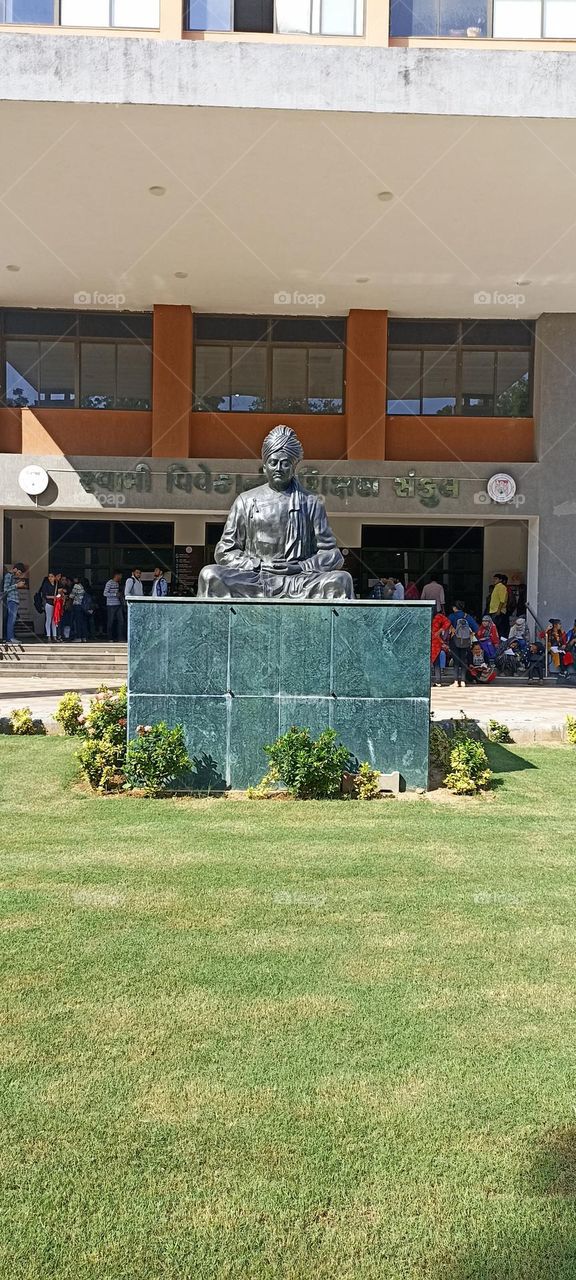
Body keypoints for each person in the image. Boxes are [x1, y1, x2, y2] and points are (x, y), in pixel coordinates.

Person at [197, 425, 354, 600]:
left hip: (298, 580)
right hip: (255, 578)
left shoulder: (311, 502)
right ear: (265, 467)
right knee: (210, 575)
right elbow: (224, 551)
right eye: (273, 462)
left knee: (341, 580)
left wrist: (300, 567)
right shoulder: (245, 501)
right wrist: (256, 564)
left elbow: (332, 555)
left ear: (293, 468)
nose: (279, 468)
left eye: (285, 463)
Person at [449, 613, 476, 687]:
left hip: (455, 642)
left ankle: (456, 681)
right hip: (465, 642)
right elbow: (476, 628)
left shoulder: (452, 616)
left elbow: (446, 626)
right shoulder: (467, 617)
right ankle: (463, 681)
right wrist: (470, 635)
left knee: (456, 661)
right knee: (463, 661)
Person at [2, 562, 26, 642]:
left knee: (12, 619)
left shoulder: (12, 577)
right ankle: (10, 638)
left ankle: (10, 637)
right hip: (11, 600)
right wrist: (17, 585)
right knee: (11, 620)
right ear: (15, 569)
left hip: (14, 600)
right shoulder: (8, 576)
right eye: (19, 572)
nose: (19, 574)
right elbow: (5, 589)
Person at [431, 612, 450, 686]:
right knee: (435, 662)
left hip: (435, 642)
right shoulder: (438, 616)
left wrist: (439, 631)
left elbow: (447, 622)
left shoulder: (438, 616)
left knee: (436, 661)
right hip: (432, 640)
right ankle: (437, 681)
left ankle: (438, 680)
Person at [103, 571, 124, 640]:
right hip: (111, 605)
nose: (121, 577)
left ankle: (120, 637)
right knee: (110, 621)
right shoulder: (109, 583)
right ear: (116, 575)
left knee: (121, 621)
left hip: (118, 604)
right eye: (120, 575)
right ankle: (110, 638)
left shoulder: (117, 583)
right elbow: (105, 593)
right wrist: (115, 594)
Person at [40, 572, 58, 641]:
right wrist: (53, 597)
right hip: (49, 604)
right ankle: (48, 636)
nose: (50, 578)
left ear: (54, 577)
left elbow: (59, 593)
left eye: (52, 576)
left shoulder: (56, 585)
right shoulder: (46, 585)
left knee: (54, 620)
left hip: (55, 605)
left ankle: (54, 636)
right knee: (48, 620)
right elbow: (45, 595)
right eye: (49, 576)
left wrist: (58, 597)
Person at [70, 576, 87, 642]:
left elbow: (72, 595)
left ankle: (78, 637)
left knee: (77, 622)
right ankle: (84, 637)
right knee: (83, 622)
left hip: (77, 605)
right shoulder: (84, 586)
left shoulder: (76, 586)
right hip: (83, 606)